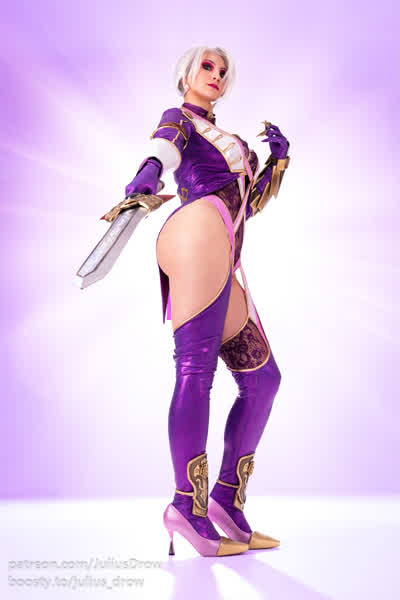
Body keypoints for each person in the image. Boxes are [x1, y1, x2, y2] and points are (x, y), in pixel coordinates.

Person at [124, 45, 290, 557]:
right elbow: (165, 148)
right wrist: (148, 173)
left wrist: (278, 163)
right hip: (197, 235)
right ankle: (185, 507)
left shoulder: (232, 142)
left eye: (223, 70)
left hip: (224, 250)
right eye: (207, 66)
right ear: (187, 74)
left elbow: (246, 206)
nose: (216, 74)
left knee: (263, 379)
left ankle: (225, 502)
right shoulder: (180, 120)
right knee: (196, 370)